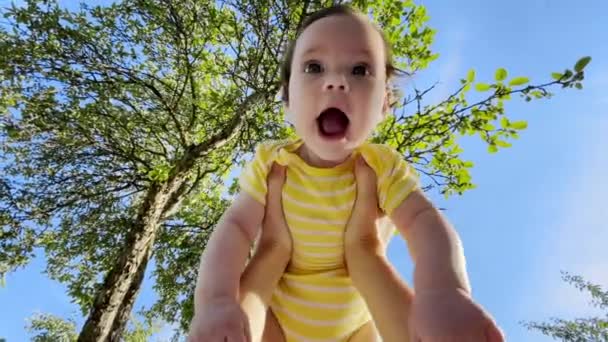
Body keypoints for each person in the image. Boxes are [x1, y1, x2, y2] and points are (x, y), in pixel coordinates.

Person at [188, 4, 504, 342]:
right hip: (274, 318)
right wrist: (216, 300)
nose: (337, 82)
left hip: (357, 328)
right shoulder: (272, 161)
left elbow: (423, 222)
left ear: (384, 104)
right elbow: (235, 227)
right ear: (286, 99)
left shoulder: (382, 167)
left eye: (359, 70)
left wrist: (443, 289)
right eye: (314, 67)